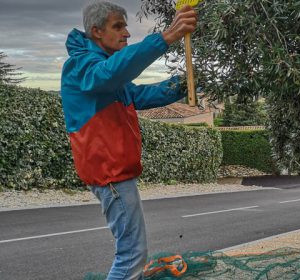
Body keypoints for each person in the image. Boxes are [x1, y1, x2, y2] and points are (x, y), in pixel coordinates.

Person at [60, 1, 198, 279]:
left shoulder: (102, 69)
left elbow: (137, 96)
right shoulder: (82, 67)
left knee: (132, 252)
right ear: (97, 32)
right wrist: (166, 37)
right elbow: (108, 75)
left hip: (115, 172)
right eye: (118, 26)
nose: (126, 33)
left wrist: (187, 83)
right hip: (109, 173)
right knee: (131, 255)